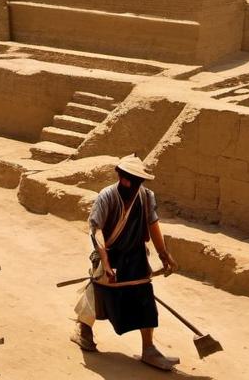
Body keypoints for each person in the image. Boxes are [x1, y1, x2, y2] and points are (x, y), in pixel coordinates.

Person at [72, 154, 179, 370]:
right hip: (109, 253)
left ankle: (148, 349)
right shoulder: (107, 196)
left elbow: (153, 224)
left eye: (135, 180)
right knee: (100, 292)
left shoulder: (146, 196)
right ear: (120, 176)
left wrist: (163, 254)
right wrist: (106, 262)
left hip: (135, 254)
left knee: (144, 296)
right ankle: (83, 329)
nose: (130, 184)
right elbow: (97, 231)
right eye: (126, 178)